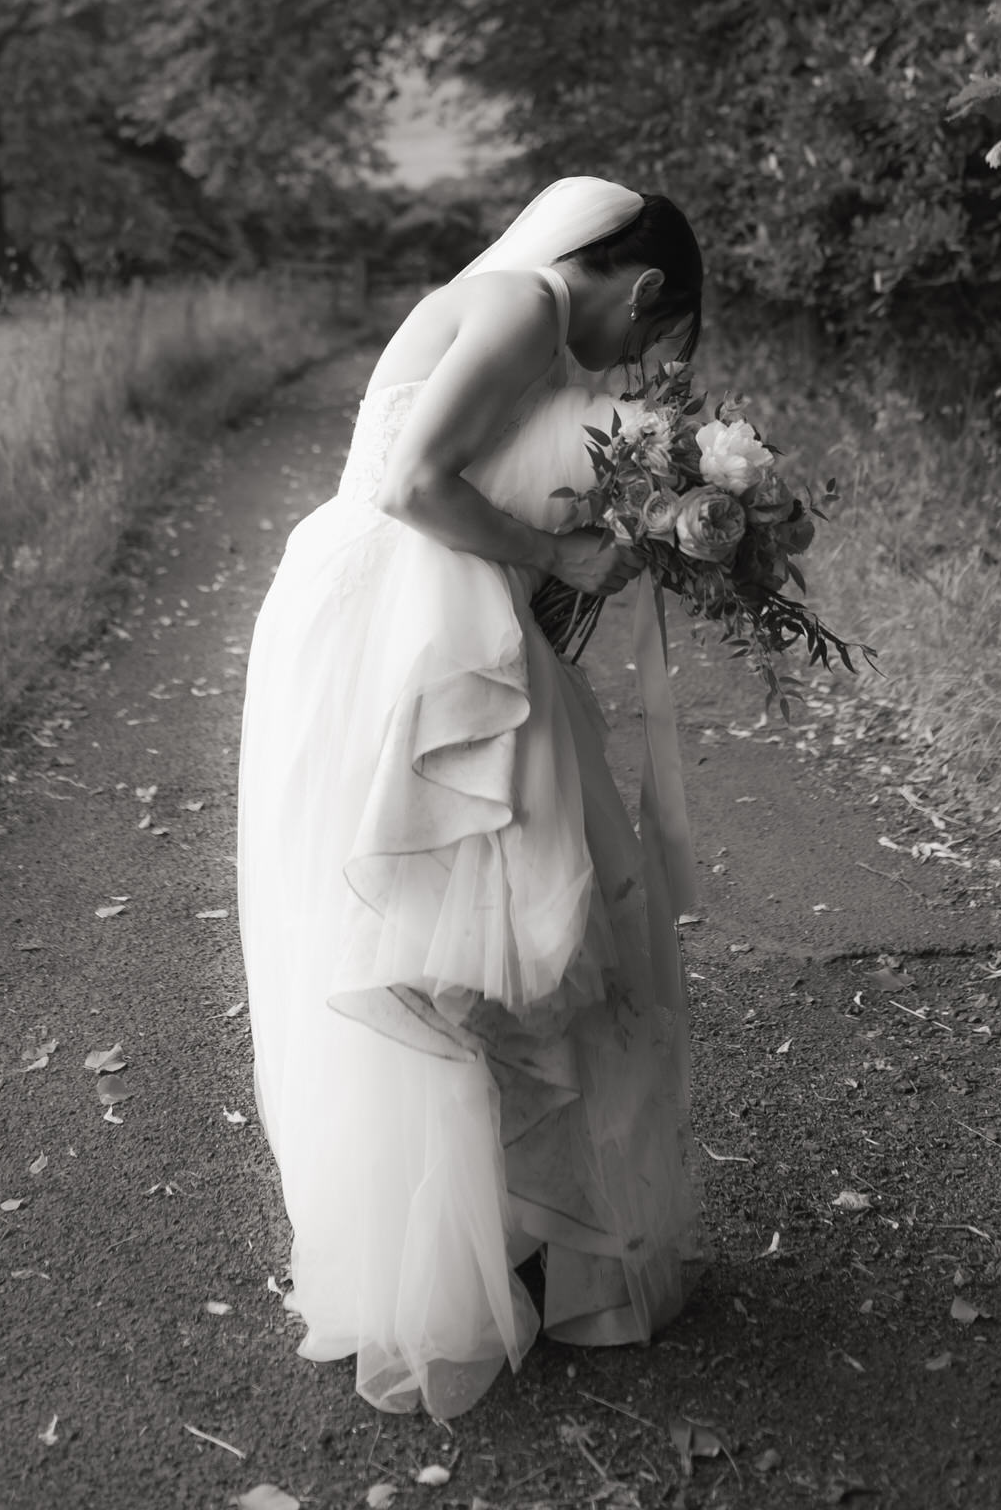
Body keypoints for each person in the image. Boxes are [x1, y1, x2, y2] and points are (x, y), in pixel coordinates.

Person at [237, 177, 705, 1420]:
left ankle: (501, 1235)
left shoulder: (529, 322)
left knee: (504, 925)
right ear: (643, 286)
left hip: (445, 617)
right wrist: (558, 554)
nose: (635, 361)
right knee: (456, 929)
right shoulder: (515, 303)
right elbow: (409, 483)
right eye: (651, 337)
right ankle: (462, 1254)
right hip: (398, 621)